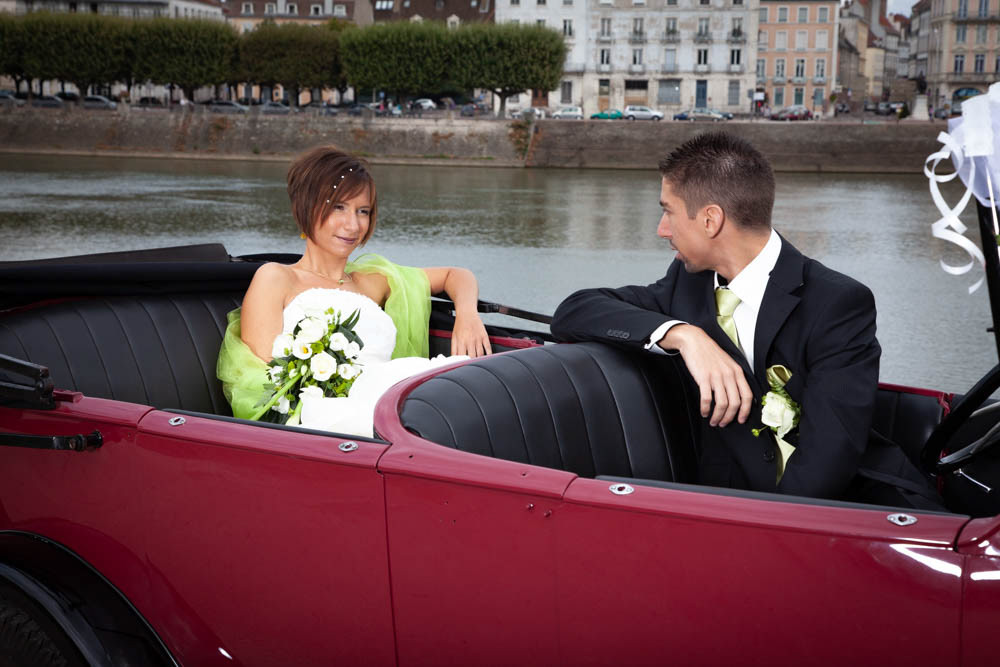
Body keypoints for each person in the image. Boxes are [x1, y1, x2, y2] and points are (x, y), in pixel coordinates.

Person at [551, 132, 942, 510]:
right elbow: (575, 310)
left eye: (667, 211)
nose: (661, 230)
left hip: (861, 508)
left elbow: (828, 463)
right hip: (735, 502)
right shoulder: (685, 285)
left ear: (710, 221)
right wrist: (685, 336)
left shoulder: (837, 303)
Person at [218, 146, 492, 436]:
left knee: (470, 382)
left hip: (388, 393)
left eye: (363, 211)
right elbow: (267, 381)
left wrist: (467, 315)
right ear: (306, 207)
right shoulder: (276, 278)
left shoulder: (370, 281)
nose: (353, 225)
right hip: (322, 419)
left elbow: (456, 275)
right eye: (338, 207)